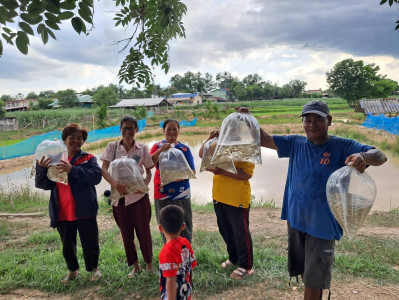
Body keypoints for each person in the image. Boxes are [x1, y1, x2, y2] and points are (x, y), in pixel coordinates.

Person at [240, 100, 387, 299]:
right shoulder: (295, 143)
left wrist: (362, 157)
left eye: (318, 120)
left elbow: (379, 155)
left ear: (329, 121)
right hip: (297, 220)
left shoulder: (343, 146)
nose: (311, 125)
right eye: (307, 120)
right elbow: (263, 139)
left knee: (314, 280)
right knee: (304, 271)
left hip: (322, 226)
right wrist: (248, 119)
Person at [35, 123, 102, 284]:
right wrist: (42, 169)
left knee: (90, 241)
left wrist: (72, 169)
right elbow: (42, 184)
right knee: (67, 243)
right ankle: (72, 270)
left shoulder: (88, 158)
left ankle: (93, 269)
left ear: (83, 141)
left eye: (80, 138)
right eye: (72, 137)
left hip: (85, 209)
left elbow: (96, 177)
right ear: (65, 139)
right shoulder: (54, 159)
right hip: (62, 210)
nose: (75, 141)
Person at [101, 116, 154, 277]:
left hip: (138, 198)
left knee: (143, 231)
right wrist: (115, 185)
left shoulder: (142, 148)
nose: (128, 132)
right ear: (120, 129)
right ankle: (135, 266)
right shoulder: (112, 148)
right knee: (126, 233)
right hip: (119, 198)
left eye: (131, 128)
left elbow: (149, 171)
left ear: (137, 130)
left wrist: (143, 186)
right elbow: (103, 169)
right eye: (125, 128)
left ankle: (149, 264)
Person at [199, 130, 255, 280]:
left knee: (240, 232)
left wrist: (221, 171)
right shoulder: (219, 145)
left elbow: (247, 174)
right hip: (219, 195)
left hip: (237, 197)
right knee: (225, 229)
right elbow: (201, 154)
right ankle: (234, 257)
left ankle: (246, 265)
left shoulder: (245, 148)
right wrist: (209, 139)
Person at [150, 119, 196, 243]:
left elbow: (192, 171)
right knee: (165, 223)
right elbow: (149, 164)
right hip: (162, 191)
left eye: (174, 129)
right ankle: (169, 252)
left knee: (184, 221)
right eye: (168, 129)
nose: (171, 132)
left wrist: (180, 176)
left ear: (179, 130)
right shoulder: (157, 146)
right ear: (163, 131)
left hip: (181, 192)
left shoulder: (184, 149)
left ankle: (185, 252)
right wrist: (161, 150)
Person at [158, 205, 197, 300]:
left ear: (160, 228)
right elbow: (192, 264)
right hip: (186, 290)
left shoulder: (166, 252)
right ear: (183, 226)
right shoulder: (185, 243)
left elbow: (170, 280)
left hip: (175, 296)